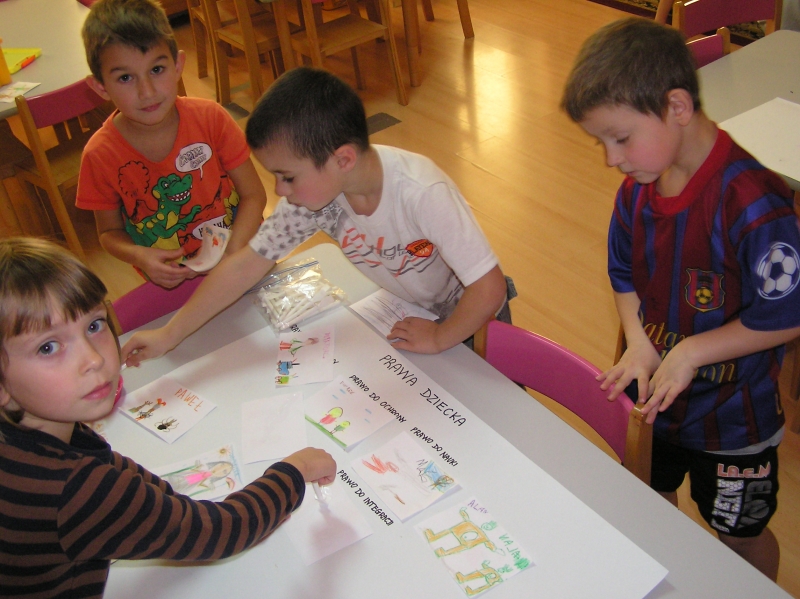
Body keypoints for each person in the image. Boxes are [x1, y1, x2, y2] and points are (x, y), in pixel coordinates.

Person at [561, 17, 800, 581]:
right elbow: (623, 275)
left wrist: (691, 351)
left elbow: (787, 314)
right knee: (651, 503)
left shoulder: (754, 203)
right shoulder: (637, 192)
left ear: (676, 106)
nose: (611, 159)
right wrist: (640, 342)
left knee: (739, 536)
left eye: (620, 138)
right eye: (601, 142)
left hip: (736, 425)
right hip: (657, 406)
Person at [0, 237, 335, 598]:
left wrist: (159, 503)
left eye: (94, 326)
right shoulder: (75, 490)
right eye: (48, 347)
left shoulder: (36, 431)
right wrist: (294, 472)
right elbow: (218, 532)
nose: (93, 359)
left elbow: (110, 467)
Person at [122, 67, 511, 360]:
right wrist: (169, 335)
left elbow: (488, 288)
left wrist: (441, 337)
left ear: (343, 159)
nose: (280, 191)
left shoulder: (421, 193)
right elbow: (244, 266)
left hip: (472, 319)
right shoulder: (318, 196)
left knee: (494, 404)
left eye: (287, 177)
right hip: (412, 310)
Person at [76, 0, 267, 289]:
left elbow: (254, 195)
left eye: (157, 69)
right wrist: (139, 255)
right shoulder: (99, 155)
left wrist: (232, 251)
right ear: (101, 86)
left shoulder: (211, 118)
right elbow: (109, 233)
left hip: (241, 254)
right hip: (171, 281)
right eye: (125, 77)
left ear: (177, 65)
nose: (147, 91)